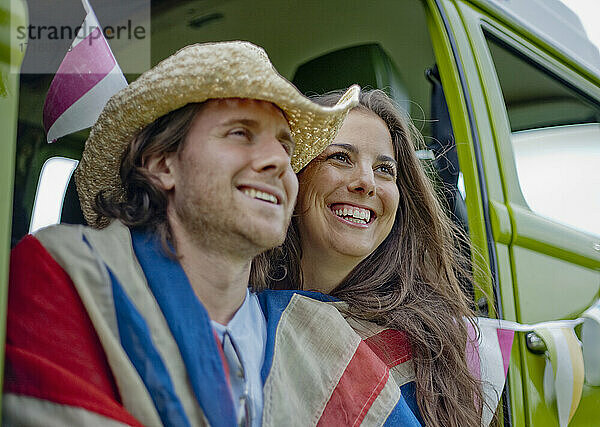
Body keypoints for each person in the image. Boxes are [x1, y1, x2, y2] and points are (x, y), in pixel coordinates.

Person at [5, 41, 427, 426]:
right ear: (162, 164)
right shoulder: (65, 272)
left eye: (285, 145)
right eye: (240, 133)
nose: (277, 162)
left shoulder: (319, 336)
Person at [252, 89, 498, 427]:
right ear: (292, 175)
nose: (367, 183)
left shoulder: (436, 345)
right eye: (340, 157)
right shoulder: (241, 317)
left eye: (385, 170)